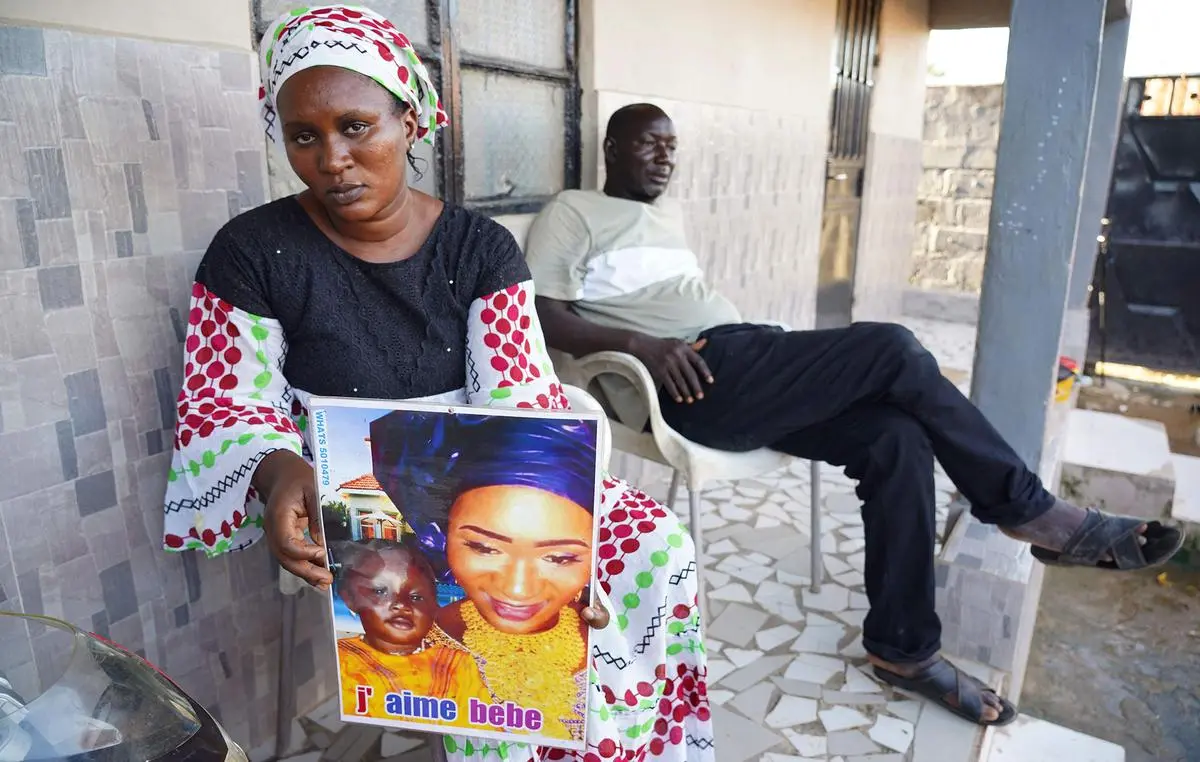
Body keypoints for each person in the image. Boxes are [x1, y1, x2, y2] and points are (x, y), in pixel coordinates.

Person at [161, 9, 712, 761]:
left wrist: (515, 502)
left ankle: (639, 742)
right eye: (303, 136)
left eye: (356, 127)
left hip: (490, 477)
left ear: (410, 121)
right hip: (348, 482)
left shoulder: (479, 249)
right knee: (493, 636)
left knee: (655, 547)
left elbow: (519, 397)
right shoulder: (253, 253)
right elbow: (229, 399)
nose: (332, 160)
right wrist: (276, 467)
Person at [525, 102, 1187, 727]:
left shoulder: (666, 215)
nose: (665, 157)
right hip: (692, 382)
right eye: (649, 143)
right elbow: (545, 313)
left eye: (672, 146)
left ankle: (904, 649)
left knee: (894, 438)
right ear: (613, 147)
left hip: (746, 356)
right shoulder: (573, 213)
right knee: (893, 348)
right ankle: (1027, 510)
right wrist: (643, 346)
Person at [368, 411, 600, 742]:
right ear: (442, 534)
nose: (518, 589)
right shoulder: (420, 640)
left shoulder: (609, 618)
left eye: (558, 557)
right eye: (484, 548)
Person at [332, 538, 491, 729]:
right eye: (381, 591)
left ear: (434, 607)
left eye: (416, 597)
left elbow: (483, 723)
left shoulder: (458, 665)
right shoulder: (339, 661)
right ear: (350, 599)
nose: (401, 604)